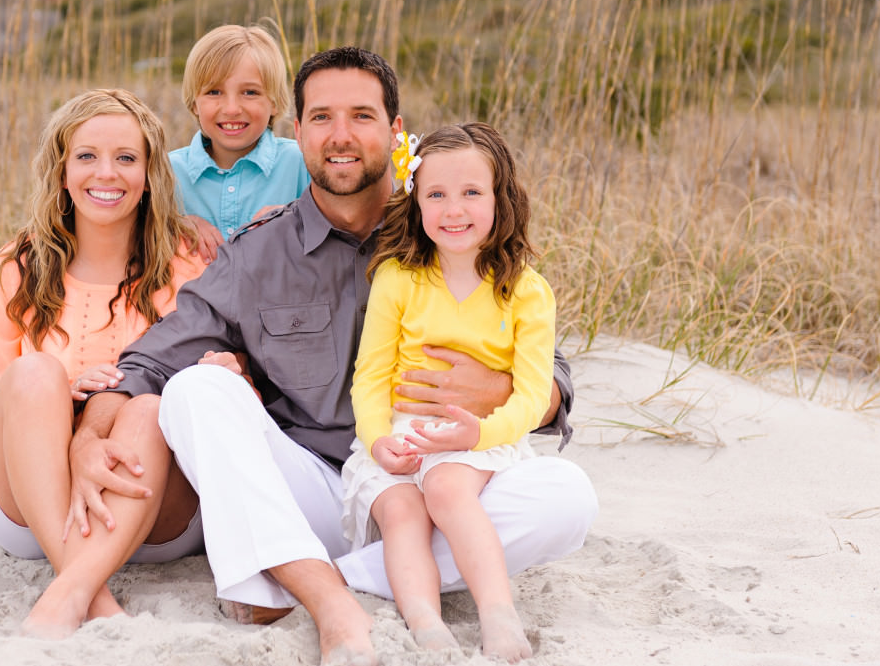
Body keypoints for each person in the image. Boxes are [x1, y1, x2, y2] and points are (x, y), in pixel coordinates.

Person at [75, 47, 597, 666]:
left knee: (567, 499)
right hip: (316, 489)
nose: (341, 136)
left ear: (396, 131)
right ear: (299, 132)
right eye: (321, 117)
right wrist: (90, 430)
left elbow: (551, 375)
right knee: (195, 390)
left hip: (442, 479)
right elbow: (151, 360)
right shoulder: (257, 254)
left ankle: (314, 575)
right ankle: (328, 591)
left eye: (362, 116)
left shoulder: (449, 228)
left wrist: (502, 391)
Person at [0, 88, 207, 638]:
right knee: (33, 372)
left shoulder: (188, 265)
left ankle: (70, 589)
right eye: (87, 156)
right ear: (62, 170)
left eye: (126, 158)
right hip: (31, 513)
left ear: (149, 174)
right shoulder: (17, 266)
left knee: (147, 407)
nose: (107, 173)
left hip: (150, 515)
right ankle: (87, 588)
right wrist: (66, 402)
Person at [342, 122, 553, 661]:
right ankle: (426, 624)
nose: (453, 210)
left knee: (445, 489)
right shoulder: (397, 277)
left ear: (499, 200)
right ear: (415, 202)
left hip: (477, 434)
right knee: (400, 510)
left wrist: (480, 431)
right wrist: (375, 441)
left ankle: (498, 615)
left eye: (471, 193)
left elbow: (531, 397)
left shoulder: (525, 290)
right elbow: (369, 377)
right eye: (436, 194)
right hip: (400, 431)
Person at [170, 24, 310, 259]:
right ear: (194, 102)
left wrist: (298, 216)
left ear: (274, 101)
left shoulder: (301, 163)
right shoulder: (167, 172)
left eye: (250, 92)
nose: (232, 109)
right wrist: (174, 224)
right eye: (214, 92)